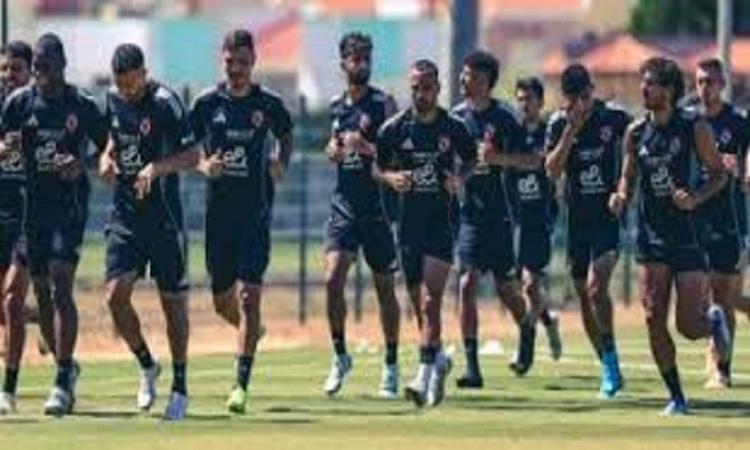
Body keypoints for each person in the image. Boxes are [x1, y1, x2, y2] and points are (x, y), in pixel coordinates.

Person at [609, 56, 732, 415]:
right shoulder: (635, 132)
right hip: (652, 236)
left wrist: (695, 197)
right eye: (643, 82)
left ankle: (713, 321)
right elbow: (628, 175)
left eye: (651, 83)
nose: (644, 89)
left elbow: (719, 175)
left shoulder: (693, 127)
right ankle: (677, 397)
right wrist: (621, 195)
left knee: (688, 326)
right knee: (652, 316)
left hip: (689, 234)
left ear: (670, 90)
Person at [1, 34, 108, 416]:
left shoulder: (82, 105)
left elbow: (109, 151)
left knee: (61, 284)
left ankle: (61, 382)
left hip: (68, 207)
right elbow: (4, 143)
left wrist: (84, 165)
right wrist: (7, 149)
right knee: (40, 293)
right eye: (37, 67)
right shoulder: (19, 103)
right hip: (32, 210)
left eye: (45, 66)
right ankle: (64, 368)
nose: (40, 74)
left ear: (61, 65)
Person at [190, 29, 294, 414]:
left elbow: (287, 134)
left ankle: (240, 386)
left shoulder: (268, 103)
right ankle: (253, 332)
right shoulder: (206, 103)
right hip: (218, 218)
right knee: (223, 303)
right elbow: (186, 148)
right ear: (222, 60)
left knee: (249, 297)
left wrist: (281, 161)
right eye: (230, 62)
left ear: (254, 62)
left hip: (255, 215)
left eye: (243, 62)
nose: (236, 69)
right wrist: (204, 165)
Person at [99, 43, 198, 421]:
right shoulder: (113, 100)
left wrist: (156, 168)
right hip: (126, 216)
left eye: (131, 83)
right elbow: (113, 140)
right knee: (115, 297)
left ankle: (180, 388)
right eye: (120, 85)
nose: (126, 91)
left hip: (164, 219)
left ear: (144, 73)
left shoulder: (165, 103)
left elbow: (193, 155)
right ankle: (146, 364)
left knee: (172, 304)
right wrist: (106, 159)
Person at [376, 59, 475, 407]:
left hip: (442, 222)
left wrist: (459, 179)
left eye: (428, 88)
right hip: (408, 226)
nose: (421, 94)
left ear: (438, 89)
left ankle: (422, 376)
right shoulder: (394, 128)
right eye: (416, 88)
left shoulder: (453, 127)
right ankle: (439, 362)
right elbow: (377, 167)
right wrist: (391, 178)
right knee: (421, 307)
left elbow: (472, 159)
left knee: (431, 301)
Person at [318, 32, 401, 398]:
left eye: (366, 56)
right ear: (343, 63)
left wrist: (366, 147)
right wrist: (332, 150)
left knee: (384, 289)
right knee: (332, 279)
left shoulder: (384, 104)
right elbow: (333, 143)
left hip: (377, 209)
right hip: (344, 206)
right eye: (355, 57)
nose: (361, 63)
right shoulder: (336, 106)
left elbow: (398, 152)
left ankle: (391, 365)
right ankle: (340, 356)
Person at [545, 63, 629, 399]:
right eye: (574, 98)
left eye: (585, 95)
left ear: (592, 91)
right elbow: (552, 170)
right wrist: (570, 131)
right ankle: (608, 362)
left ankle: (610, 366)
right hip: (577, 220)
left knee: (596, 287)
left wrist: (623, 189)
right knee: (584, 293)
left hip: (608, 216)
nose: (581, 103)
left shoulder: (614, 118)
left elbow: (638, 146)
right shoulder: (558, 123)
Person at [450, 51, 533, 387]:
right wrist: (456, 176)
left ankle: (526, 325)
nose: (463, 78)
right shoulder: (455, 118)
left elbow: (532, 160)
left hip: (501, 216)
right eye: (463, 72)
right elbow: (451, 159)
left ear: (485, 81)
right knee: (466, 284)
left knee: (506, 290)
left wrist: (498, 158)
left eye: (469, 74)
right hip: (470, 216)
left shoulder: (505, 117)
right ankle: (472, 369)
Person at [691, 58, 747, 389]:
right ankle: (714, 351)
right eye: (700, 81)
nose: (705, 88)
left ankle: (722, 368)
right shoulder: (687, 119)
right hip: (693, 217)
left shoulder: (738, 122)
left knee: (724, 294)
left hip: (729, 217)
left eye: (710, 81)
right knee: (699, 292)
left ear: (722, 85)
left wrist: (741, 169)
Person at [508, 76, 563, 361]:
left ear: (540, 102)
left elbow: (540, 161)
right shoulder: (512, 133)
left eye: (529, 99)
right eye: (519, 99)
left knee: (530, 284)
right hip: (515, 219)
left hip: (540, 217)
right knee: (523, 287)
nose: (524, 104)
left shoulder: (549, 132)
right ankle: (549, 322)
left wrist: (502, 159)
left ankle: (525, 345)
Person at [0, 40, 33, 415]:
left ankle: (7, 390)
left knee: (11, 298)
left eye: (17, 69)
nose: (10, 76)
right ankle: (50, 325)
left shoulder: (40, 107)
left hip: (30, 216)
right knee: (8, 307)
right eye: (5, 69)